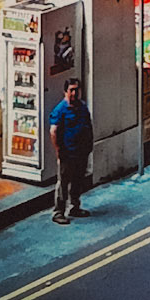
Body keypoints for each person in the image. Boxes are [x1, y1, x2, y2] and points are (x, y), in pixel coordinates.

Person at [48, 76, 93, 224]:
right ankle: (58, 211)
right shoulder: (60, 110)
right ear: (65, 92)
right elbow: (53, 131)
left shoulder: (82, 106)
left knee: (77, 180)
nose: (74, 93)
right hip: (68, 153)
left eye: (76, 90)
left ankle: (75, 206)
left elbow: (88, 125)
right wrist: (59, 151)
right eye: (71, 90)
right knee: (64, 182)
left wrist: (89, 145)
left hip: (81, 151)